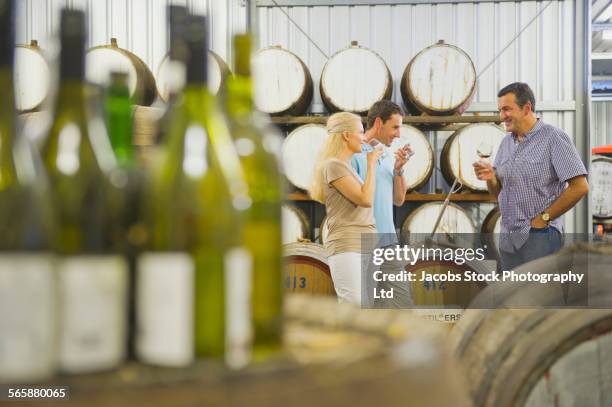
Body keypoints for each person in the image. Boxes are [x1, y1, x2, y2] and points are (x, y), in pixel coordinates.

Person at [473, 82, 588, 271]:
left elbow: (580, 186)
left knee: (541, 298)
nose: (502, 116)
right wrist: (491, 177)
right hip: (509, 238)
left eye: (507, 109)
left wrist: (543, 218)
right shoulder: (506, 143)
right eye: (500, 110)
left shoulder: (553, 138)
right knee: (514, 298)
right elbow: (498, 194)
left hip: (540, 237)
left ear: (526, 108)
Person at [310, 112, 383, 305]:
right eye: (360, 132)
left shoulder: (347, 166)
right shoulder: (333, 166)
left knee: (367, 308)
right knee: (354, 305)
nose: (364, 137)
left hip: (367, 241)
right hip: (347, 243)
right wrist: (371, 164)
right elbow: (365, 199)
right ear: (346, 135)